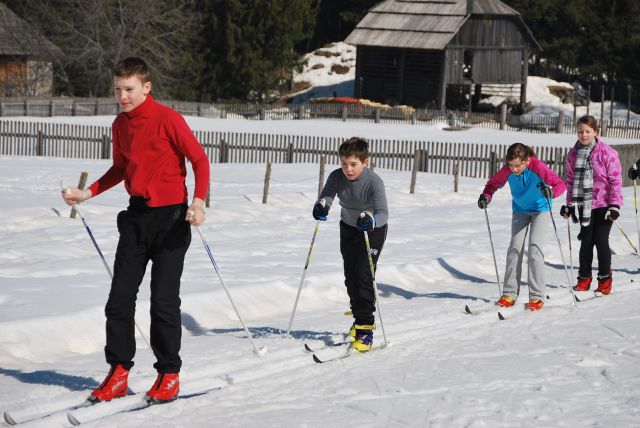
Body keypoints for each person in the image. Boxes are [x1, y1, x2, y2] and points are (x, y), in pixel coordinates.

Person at [62, 57, 210, 404]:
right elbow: (120, 168)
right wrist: (87, 193)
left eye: (128, 89)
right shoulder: (120, 125)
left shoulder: (167, 119)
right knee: (118, 300)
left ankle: (168, 374)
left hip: (173, 219)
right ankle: (118, 373)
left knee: (162, 302)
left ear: (146, 87)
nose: (122, 96)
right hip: (137, 217)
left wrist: (199, 202)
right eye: (117, 89)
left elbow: (199, 160)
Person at [312, 137, 388, 352]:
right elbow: (327, 195)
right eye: (344, 163)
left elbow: (383, 213)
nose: (348, 169)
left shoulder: (374, 182)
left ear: (365, 162)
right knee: (351, 276)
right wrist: (321, 206)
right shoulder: (337, 176)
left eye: (353, 164)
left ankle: (366, 330)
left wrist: (372, 220)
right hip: (348, 227)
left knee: (363, 274)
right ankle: (358, 319)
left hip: (372, 229)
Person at [478, 143, 566, 311]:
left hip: (541, 210)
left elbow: (560, 184)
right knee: (514, 249)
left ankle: (536, 296)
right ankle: (510, 293)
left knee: (534, 249)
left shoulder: (538, 167)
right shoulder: (507, 170)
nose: (514, 169)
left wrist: (551, 193)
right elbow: (492, 185)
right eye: (511, 166)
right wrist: (486, 196)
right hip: (520, 211)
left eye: (518, 165)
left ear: (527, 160)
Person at [561, 115, 622, 295]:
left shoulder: (607, 153)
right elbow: (571, 180)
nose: (584, 135)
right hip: (584, 204)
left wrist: (615, 205)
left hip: (604, 204)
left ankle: (604, 279)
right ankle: (584, 278)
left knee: (601, 241)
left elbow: (615, 181)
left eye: (588, 131)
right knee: (586, 242)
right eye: (580, 131)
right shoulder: (573, 154)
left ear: (596, 132)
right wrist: (569, 205)